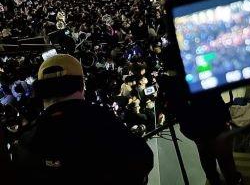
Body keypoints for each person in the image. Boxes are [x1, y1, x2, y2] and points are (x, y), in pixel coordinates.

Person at [11, 54, 153, 184]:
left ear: (41, 92)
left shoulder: (25, 140)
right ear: (82, 86)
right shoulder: (102, 120)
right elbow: (144, 159)